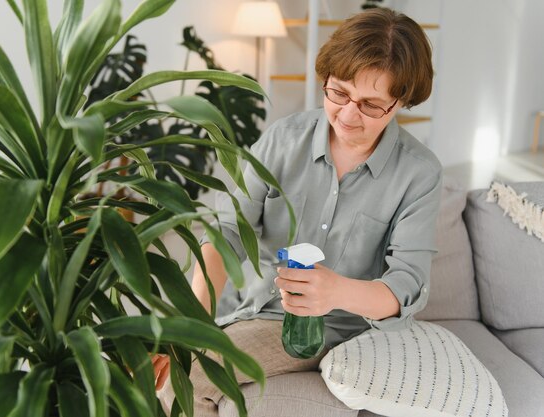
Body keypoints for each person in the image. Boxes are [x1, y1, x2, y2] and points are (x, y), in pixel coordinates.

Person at [157, 7, 442, 416]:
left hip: (340, 330)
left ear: (401, 101)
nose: (347, 115)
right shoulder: (282, 140)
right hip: (253, 309)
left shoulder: (419, 173)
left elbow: (406, 287)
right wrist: (190, 322)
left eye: (370, 105)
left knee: (190, 377)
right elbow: (227, 231)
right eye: (339, 92)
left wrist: (336, 291)